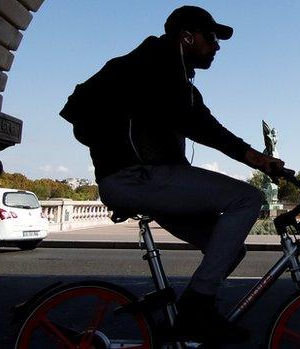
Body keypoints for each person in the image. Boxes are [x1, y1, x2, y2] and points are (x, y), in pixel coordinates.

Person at [59, 5, 284, 343]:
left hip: (146, 180)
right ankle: (196, 310)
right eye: (211, 38)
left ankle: (180, 321)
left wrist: (259, 159)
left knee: (228, 248)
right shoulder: (156, 63)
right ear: (187, 36)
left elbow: (202, 121)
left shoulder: (173, 77)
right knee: (247, 198)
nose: (217, 46)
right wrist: (259, 160)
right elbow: (201, 126)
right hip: (138, 177)